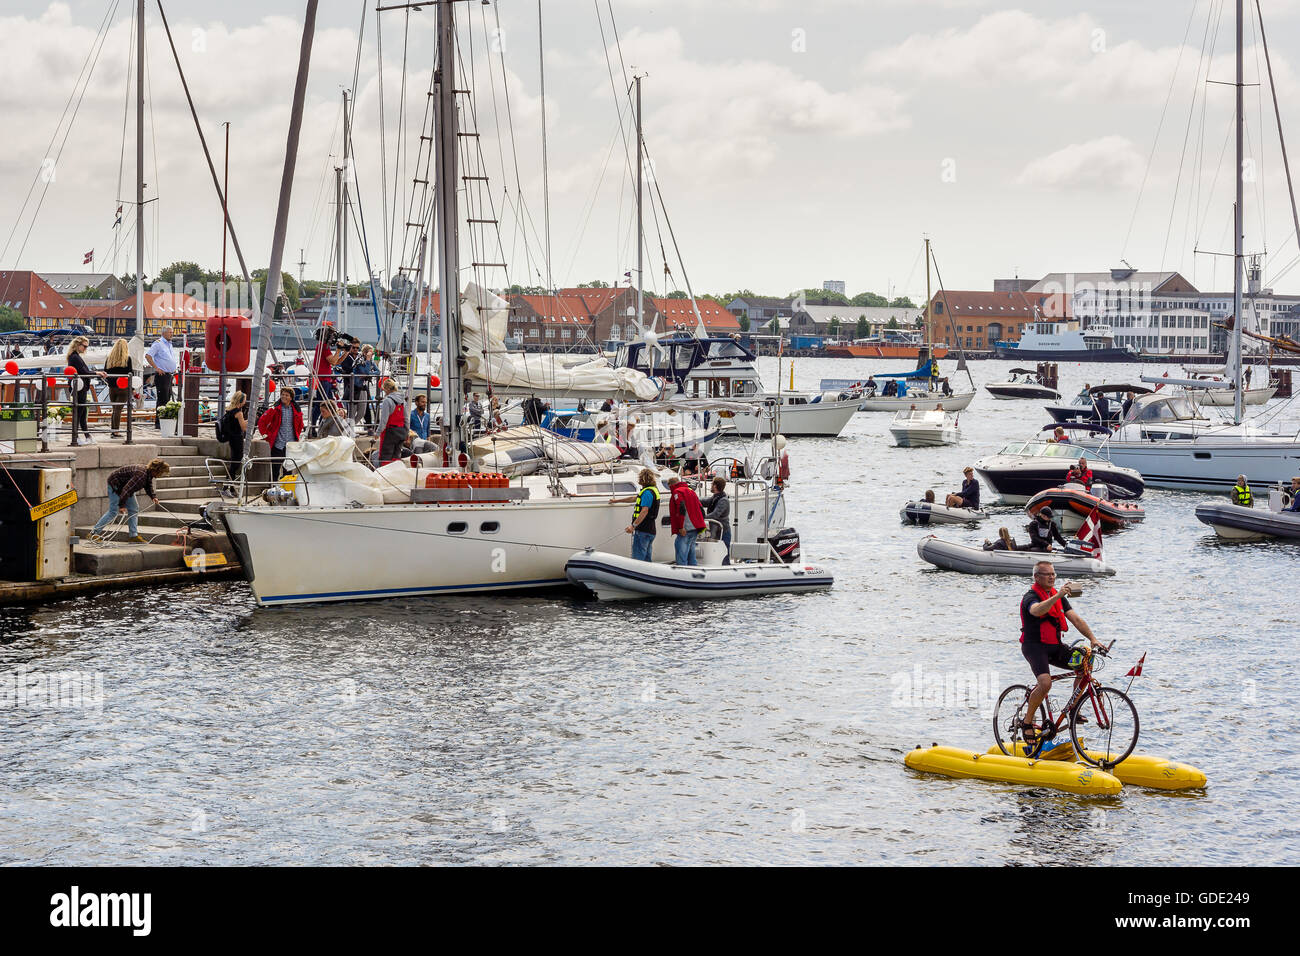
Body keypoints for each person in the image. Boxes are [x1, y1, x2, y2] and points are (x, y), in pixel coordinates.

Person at [1019, 560, 1100, 742]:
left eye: (1053, 574)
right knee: (1045, 683)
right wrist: (1057, 597)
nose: (1052, 577)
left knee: (1086, 660)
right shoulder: (1030, 597)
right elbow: (1037, 611)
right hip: (1034, 647)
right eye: (1047, 574)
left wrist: (1093, 639)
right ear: (1037, 577)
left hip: (1055, 646)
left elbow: (1076, 620)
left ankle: (1074, 708)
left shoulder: (1059, 597)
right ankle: (1027, 722)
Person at [88, 457, 170, 543]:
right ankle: (93, 533)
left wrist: (153, 497)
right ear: (157, 471)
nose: (161, 475)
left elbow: (148, 485)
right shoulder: (141, 475)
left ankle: (133, 536)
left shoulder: (148, 473)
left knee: (134, 508)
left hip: (125, 487)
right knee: (113, 511)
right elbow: (126, 490)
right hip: (116, 484)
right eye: (162, 473)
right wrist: (122, 505)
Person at [256, 387, 304, 480]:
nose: (283, 397)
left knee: (288, 470)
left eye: (286, 395)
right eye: (282, 394)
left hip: (290, 444)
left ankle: (285, 490)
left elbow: (300, 424)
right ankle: (272, 489)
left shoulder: (297, 410)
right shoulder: (275, 408)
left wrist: (296, 436)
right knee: (275, 470)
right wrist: (265, 435)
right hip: (277, 444)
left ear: (291, 397)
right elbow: (262, 421)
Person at [66, 336, 105, 445]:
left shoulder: (75, 356)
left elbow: (84, 371)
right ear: (78, 345)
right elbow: (84, 372)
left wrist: (97, 372)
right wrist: (97, 373)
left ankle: (87, 436)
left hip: (81, 387)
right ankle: (76, 437)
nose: (85, 349)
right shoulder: (74, 357)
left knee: (82, 414)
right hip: (79, 388)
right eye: (84, 346)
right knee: (79, 414)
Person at [666, 472, 706, 566]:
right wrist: (700, 522)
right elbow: (701, 508)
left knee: (681, 554)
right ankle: (693, 573)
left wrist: (680, 527)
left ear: (671, 485)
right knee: (691, 553)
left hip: (685, 528)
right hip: (695, 527)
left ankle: (682, 574)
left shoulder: (677, 492)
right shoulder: (691, 490)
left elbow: (681, 508)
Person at [623, 467, 660, 561]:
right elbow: (634, 498)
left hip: (643, 530)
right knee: (647, 559)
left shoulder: (647, 492)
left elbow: (644, 511)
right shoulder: (653, 490)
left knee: (638, 559)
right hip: (650, 530)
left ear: (642, 479)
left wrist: (633, 526)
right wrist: (616, 500)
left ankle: (636, 575)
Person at [145, 326, 177, 428]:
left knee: (167, 399)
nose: (172, 334)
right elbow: (148, 356)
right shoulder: (158, 344)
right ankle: (159, 423)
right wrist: (156, 368)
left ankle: (165, 422)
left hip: (169, 375)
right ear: (163, 333)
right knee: (162, 400)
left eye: (172, 332)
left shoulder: (169, 344)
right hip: (161, 375)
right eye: (170, 333)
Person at [309, 333, 341, 434]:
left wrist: (345, 353)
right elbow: (332, 361)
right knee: (321, 404)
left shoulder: (322, 346)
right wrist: (339, 350)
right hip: (323, 379)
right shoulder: (323, 346)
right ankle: (314, 427)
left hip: (325, 380)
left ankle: (320, 425)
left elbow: (335, 362)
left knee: (329, 404)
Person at [103, 337, 133, 437]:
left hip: (112, 387)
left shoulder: (109, 358)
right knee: (118, 410)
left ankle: (113, 430)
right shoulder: (127, 359)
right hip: (123, 387)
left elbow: (105, 372)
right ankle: (115, 431)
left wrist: (109, 382)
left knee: (114, 409)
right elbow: (130, 373)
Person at [376, 378, 409, 464]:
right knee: (397, 456)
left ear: (387, 389)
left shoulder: (387, 401)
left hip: (390, 432)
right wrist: (407, 432)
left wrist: (377, 433)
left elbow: (383, 420)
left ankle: (385, 474)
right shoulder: (403, 401)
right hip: (401, 431)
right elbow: (406, 419)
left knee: (385, 457)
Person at [702, 476, 731, 563]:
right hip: (716, 531)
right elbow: (705, 501)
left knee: (724, 554)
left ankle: (726, 569)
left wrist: (701, 518)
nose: (711, 485)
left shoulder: (723, 500)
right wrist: (693, 498)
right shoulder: (715, 497)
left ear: (715, 486)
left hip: (723, 531)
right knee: (717, 554)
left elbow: (715, 514)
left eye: (712, 484)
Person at [220, 391, 248, 478]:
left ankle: (229, 483)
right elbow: (243, 427)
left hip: (231, 438)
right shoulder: (238, 413)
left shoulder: (230, 410)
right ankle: (229, 483)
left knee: (234, 460)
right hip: (237, 438)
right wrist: (252, 420)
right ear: (241, 401)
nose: (245, 402)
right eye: (244, 400)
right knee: (236, 461)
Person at [351, 345, 379, 425]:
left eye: (372, 352)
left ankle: (350, 427)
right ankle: (350, 429)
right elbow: (365, 372)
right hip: (355, 388)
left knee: (361, 413)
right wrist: (368, 360)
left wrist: (369, 374)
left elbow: (378, 372)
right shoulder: (359, 360)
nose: (372, 354)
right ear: (365, 353)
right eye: (370, 352)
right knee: (353, 412)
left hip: (363, 387)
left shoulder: (370, 361)